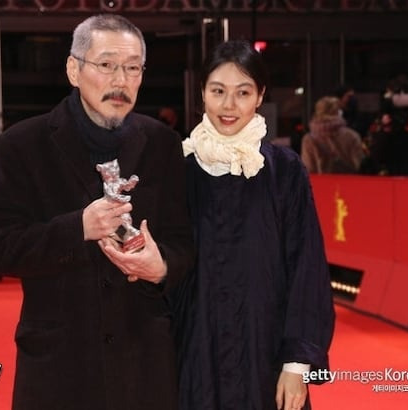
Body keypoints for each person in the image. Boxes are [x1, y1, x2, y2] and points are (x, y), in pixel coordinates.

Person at [0, 14, 194, 410]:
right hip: (59, 367)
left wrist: (161, 266)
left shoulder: (163, 144)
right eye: (107, 64)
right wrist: (77, 227)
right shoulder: (22, 144)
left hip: (144, 364)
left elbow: (184, 242)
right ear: (73, 70)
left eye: (132, 68)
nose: (120, 80)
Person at [172, 40, 335, 410]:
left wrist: (297, 364)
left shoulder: (285, 171)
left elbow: (307, 267)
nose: (229, 105)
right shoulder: (177, 170)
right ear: (202, 93)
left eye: (243, 92)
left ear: (260, 96)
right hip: (195, 357)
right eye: (218, 91)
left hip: (267, 356)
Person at [300, 96, 365, 174]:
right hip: (349, 180)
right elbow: (359, 165)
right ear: (338, 112)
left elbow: (309, 169)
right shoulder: (352, 136)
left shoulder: (309, 139)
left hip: (321, 181)